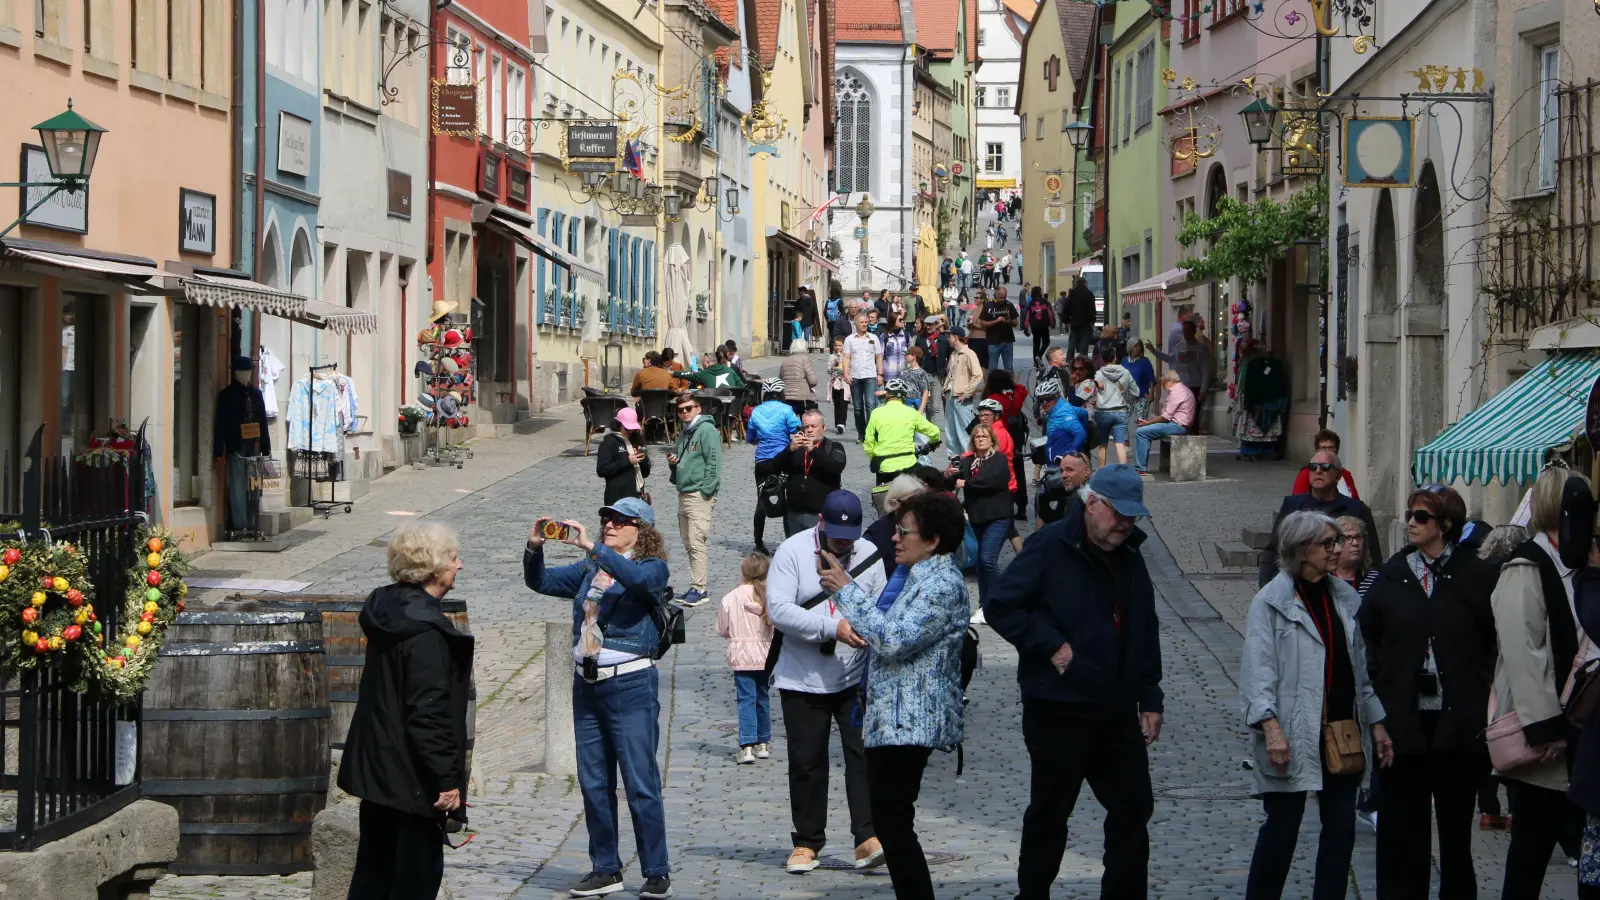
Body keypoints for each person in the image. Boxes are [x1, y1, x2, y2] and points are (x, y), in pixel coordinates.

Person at [983, 465, 1164, 900]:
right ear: (1092, 503)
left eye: (1132, 517)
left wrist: (1150, 696)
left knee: (1133, 807)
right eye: (1118, 514)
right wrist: (1053, 647)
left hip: (1115, 708)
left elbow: (1145, 626)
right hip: (1058, 707)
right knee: (1051, 812)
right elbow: (1001, 606)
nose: (1125, 525)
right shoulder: (1049, 546)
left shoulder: (1129, 554)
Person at [523, 498, 674, 899]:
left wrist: (594, 548)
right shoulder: (592, 568)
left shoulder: (651, 567)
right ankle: (605, 868)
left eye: (620, 520)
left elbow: (638, 583)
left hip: (631, 685)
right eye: (606, 518)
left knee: (640, 782)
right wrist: (535, 547)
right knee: (593, 781)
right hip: (587, 685)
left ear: (641, 531)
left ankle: (656, 871)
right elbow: (541, 582)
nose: (609, 524)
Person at [825, 490, 971, 900]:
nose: (894, 538)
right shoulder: (917, 576)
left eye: (903, 531)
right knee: (891, 823)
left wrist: (847, 591)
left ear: (933, 540)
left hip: (911, 722)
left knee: (893, 823)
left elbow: (893, 640)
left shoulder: (942, 585)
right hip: (892, 721)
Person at [1241, 511, 1393, 900]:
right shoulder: (1270, 601)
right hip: (1292, 733)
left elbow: (1360, 671)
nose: (1337, 549)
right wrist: (1270, 728)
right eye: (1328, 543)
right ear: (1300, 549)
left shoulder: (1343, 597)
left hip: (1341, 732)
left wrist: (1376, 722)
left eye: (1337, 541)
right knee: (1281, 830)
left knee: (1341, 831)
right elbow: (1258, 672)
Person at [1359, 484, 1495, 900]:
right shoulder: (1393, 574)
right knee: (1402, 833)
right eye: (1410, 515)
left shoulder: (1476, 575)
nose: (1411, 524)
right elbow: (1368, 641)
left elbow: (1493, 641)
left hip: (1458, 725)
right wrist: (1378, 706)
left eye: (1421, 517)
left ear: (1446, 525)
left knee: (1455, 835)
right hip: (1403, 724)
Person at [341, 521, 473, 900]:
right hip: (413, 781)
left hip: (380, 775)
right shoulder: (426, 632)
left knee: (373, 878)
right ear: (434, 565)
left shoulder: (387, 607)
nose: (459, 565)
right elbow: (427, 714)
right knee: (413, 882)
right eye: (453, 557)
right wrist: (447, 780)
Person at [768, 491, 890, 874]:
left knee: (864, 756)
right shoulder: (791, 552)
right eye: (836, 534)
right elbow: (779, 610)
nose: (843, 542)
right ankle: (807, 842)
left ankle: (867, 836)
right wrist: (831, 627)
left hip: (854, 675)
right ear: (821, 521)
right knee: (807, 762)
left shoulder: (870, 554)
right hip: (801, 676)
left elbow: (880, 607)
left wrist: (862, 628)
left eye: (849, 536)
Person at [1493, 466, 1591, 900]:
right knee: (1531, 849)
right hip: (1546, 738)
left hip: (1582, 733)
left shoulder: (1580, 563)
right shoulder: (1526, 567)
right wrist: (1545, 728)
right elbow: (1523, 654)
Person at [1257, 450, 1382, 586]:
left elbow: (1373, 557)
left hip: (1346, 585)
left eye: (1325, 467)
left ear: (1338, 475)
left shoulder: (1357, 509)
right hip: (1299, 585)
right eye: (1312, 467)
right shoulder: (1293, 505)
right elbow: (1273, 550)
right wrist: (1266, 584)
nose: (1318, 471)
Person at [717, 552, 775, 764]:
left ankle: (747, 744)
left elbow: (722, 629)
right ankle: (763, 742)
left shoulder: (731, 598)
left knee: (745, 698)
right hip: (765, 655)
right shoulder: (770, 598)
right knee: (762, 697)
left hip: (742, 655)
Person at [668, 392, 721, 607]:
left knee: (697, 541)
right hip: (684, 492)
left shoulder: (706, 430)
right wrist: (675, 462)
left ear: (698, 408)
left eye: (688, 408)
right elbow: (688, 458)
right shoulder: (686, 431)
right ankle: (695, 585)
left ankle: (700, 589)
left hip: (698, 493)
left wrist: (706, 490)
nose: (684, 412)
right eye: (680, 410)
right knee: (689, 542)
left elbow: (714, 462)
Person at [955, 422, 1014, 605]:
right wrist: (949, 474)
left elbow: (994, 481)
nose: (980, 439)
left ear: (991, 440)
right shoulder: (967, 462)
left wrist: (967, 484)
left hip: (998, 517)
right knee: (980, 564)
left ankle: (1001, 601)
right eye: (977, 436)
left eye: (984, 436)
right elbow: (952, 482)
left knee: (988, 560)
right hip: (977, 518)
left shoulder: (999, 459)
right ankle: (985, 604)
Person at [748, 379, 804, 555]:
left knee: (761, 502)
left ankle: (758, 544)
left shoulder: (756, 411)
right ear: (781, 393)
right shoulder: (787, 410)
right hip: (783, 460)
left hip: (762, 462)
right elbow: (797, 431)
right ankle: (790, 543)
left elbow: (750, 437)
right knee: (787, 500)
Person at [865, 379, 943, 500]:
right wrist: (932, 443)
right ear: (904, 396)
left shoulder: (876, 413)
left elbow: (868, 443)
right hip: (908, 464)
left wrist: (874, 458)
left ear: (887, 394)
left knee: (883, 501)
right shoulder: (911, 413)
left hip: (884, 465)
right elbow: (935, 432)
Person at [775, 409, 847, 536]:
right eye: (806, 426)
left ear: (823, 427)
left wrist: (813, 451)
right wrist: (789, 450)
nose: (809, 430)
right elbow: (773, 467)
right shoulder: (796, 448)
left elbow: (836, 467)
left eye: (814, 426)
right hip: (794, 513)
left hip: (821, 514)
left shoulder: (834, 446)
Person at [1148, 319, 1212, 430]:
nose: (1185, 333)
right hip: (1182, 385)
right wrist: (1153, 351)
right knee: (1180, 414)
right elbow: (1169, 358)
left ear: (1193, 331)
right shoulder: (1179, 347)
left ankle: (1193, 434)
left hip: (1195, 386)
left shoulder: (1201, 348)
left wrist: (1202, 390)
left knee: (1194, 416)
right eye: (1183, 331)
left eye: (1187, 331)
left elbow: (1206, 371)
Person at [983, 370, 1030, 520]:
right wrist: (1011, 384)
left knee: (999, 469)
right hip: (1017, 436)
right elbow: (1023, 388)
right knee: (1019, 471)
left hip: (1000, 437)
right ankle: (1022, 507)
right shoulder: (1017, 394)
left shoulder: (993, 399)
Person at [1133, 370, 1195, 475]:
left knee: (1141, 432)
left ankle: (1141, 468)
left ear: (1170, 381)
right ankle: (1141, 467)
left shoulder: (1177, 392)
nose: (1163, 386)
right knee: (1144, 431)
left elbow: (1165, 417)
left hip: (1177, 426)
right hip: (1179, 424)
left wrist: (1148, 423)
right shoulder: (1183, 389)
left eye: (1163, 383)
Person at [1091, 346, 1140, 468]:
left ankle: (1101, 472)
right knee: (1120, 444)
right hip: (1120, 411)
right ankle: (1123, 472)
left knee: (1102, 445)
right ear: (1115, 358)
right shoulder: (1125, 372)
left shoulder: (1098, 374)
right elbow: (1136, 392)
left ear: (1102, 359)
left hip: (1102, 412)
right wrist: (1126, 399)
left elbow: (1091, 392)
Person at [596, 407, 651, 506]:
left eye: (633, 429)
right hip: (618, 499)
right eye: (627, 428)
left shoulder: (635, 440)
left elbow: (645, 473)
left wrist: (643, 460)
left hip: (637, 497)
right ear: (619, 425)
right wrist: (627, 461)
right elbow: (602, 470)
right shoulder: (609, 442)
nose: (630, 431)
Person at [843, 313, 885, 443]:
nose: (864, 324)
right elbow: (846, 357)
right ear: (855, 324)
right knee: (857, 408)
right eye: (861, 322)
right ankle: (861, 434)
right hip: (855, 376)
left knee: (871, 405)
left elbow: (879, 356)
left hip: (870, 375)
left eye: (866, 322)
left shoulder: (873, 338)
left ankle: (871, 434)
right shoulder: (849, 339)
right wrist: (845, 373)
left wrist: (880, 374)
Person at [943, 327, 983, 455]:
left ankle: (968, 458)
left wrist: (967, 392)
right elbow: (950, 374)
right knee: (950, 432)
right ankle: (954, 459)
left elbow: (978, 375)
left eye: (949, 336)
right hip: (950, 396)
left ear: (956, 337)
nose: (948, 339)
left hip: (962, 398)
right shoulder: (953, 354)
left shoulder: (969, 354)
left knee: (964, 432)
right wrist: (945, 390)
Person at [1291, 429, 1361, 498]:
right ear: (1317, 451)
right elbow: (1297, 501)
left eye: (1331, 448)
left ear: (1337, 450)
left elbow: (1355, 501)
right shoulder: (1306, 474)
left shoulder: (1345, 474)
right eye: (1323, 448)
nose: (1327, 451)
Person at [1333, 515, 1378, 595]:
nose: (1355, 543)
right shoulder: (1324, 579)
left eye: (1358, 537)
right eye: (1347, 537)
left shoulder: (1376, 580)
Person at [978, 287, 1019, 374]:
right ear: (996, 295)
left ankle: (1009, 382)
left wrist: (1009, 322)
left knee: (1009, 369)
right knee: (992, 369)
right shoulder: (988, 306)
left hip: (1007, 340)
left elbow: (1015, 322)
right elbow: (982, 324)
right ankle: (992, 383)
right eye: (1001, 297)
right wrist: (995, 322)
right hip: (993, 341)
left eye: (1004, 297)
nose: (1003, 299)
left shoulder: (1009, 305)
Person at [900, 346, 939, 426]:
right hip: (905, 405)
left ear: (914, 356)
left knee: (919, 430)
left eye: (908, 354)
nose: (905, 356)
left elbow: (925, 391)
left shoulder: (922, 373)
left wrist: (921, 408)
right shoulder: (903, 372)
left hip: (917, 404)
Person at [1123, 341, 1156, 425]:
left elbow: (1151, 378)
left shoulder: (1145, 361)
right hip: (1127, 395)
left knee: (1142, 421)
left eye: (1139, 346)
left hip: (1141, 395)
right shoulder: (1125, 361)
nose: (1138, 348)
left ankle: (1142, 433)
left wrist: (1152, 393)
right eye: (1135, 346)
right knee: (1122, 419)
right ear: (1130, 347)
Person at [1063, 277, 1097, 360]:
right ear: (1085, 283)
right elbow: (1092, 308)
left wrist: (1066, 320)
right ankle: (1082, 360)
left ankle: (1069, 360)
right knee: (1084, 343)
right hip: (1086, 322)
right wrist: (1092, 320)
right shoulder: (1089, 294)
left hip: (1074, 322)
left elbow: (1066, 308)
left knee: (1072, 342)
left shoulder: (1072, 294)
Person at [1023, 286, 1056, 366]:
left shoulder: (1031, 303)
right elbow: (1050, 313)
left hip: (1035, 327)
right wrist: (1052, 323)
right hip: (1044, 325)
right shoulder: (1045, 302)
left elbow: (1027, 316)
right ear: (1039, 292)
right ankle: (1039, 355)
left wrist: (1025, 327)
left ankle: (1036, 362)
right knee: (1046, 341)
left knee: (1036, 344)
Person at [780, 342, 818, 407]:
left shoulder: (785, 360)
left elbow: (780, 380)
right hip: (802, 397)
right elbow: (813, 381)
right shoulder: (804, 359)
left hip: (786, 397)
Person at [827, 336, 850, 435]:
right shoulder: (831, 357)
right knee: (836, 404)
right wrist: (832, 367)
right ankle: (837, 424)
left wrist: (842, 369)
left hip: (844, 383)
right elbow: (828, 370)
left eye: (840, 345)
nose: (837, 347)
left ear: (844, 346)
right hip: (834, 383)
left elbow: (849, 368)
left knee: (843, 404)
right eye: (836, 345)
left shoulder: (847, 356)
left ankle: (842, 424)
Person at [965, 290, 991, 369]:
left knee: (982, 363)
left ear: (982, 299)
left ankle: (984, 377)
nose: (975, 299)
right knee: (972, 363)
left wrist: (975, 325)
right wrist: (969, 324)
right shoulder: (973, 310)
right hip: (972, 338)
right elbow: (969, 327)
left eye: (977, 298)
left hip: (981, 339)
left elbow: (987, 327)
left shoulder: (986, 310)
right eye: (974, 297)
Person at [882, 312, 910, 382]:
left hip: (904, 376)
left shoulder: (906, 335)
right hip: (889, 376)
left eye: (903, 319)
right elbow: (880, 356)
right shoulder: (885, 336)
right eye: (900, 320)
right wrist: (880, 374)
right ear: (893, 320)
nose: (902, 321)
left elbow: (910, 353)